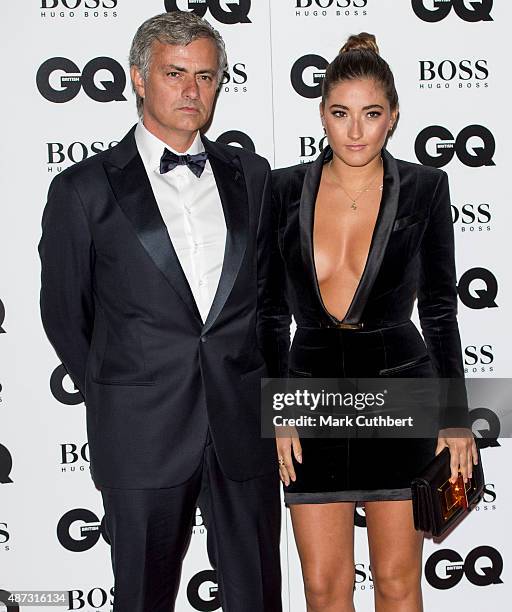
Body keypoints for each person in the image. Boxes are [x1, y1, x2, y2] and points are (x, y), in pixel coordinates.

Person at [39, 12, 287, 612]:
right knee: (143, 599)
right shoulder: (84, 189)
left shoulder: (251, 177)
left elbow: (269, 301)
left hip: (241, 426)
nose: (191, 91)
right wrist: (126, 383)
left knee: (257, 596)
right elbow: (65, 315)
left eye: (205, 76)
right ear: (139, 79)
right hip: (142, 430)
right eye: (175, 74)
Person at [273, 33, 478, 612]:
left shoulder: (425, 188)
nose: (355, 131)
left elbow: (440, 309)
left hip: (399, 395)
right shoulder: (283, 190)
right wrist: (276, 413)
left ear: (393, 117)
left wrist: (456, 417)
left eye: (370, 115)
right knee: (324, 589)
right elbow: (268, 314)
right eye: (341, 114)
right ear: (322, 116)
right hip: (310, 399)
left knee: (396, 583)